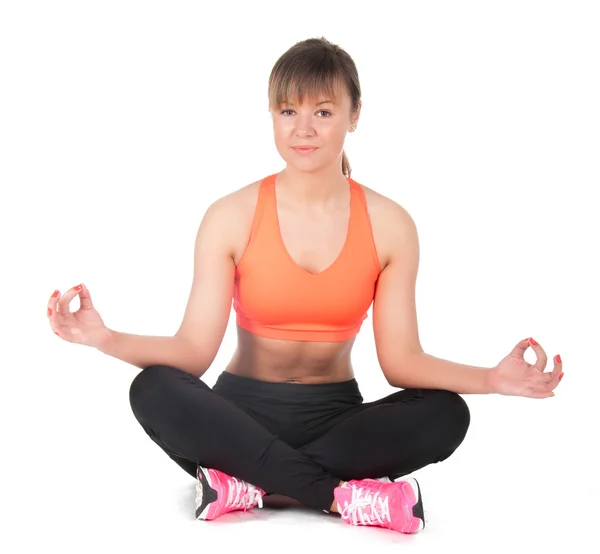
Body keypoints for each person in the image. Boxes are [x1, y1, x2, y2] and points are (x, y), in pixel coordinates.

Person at [46, 37, 564, 535]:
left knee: (446, 413)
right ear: (272, 116)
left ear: (354, 115)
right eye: (288, 111)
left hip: (336, 426)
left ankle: (246, 487)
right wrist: (105, 338)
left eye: (323, 111)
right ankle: (338, 496)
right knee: (153, 388)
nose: (304, 129)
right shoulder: (231, 216)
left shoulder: (390, 224)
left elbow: (401, 362)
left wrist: (493, 380)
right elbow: (192, 352)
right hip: (235, 422)